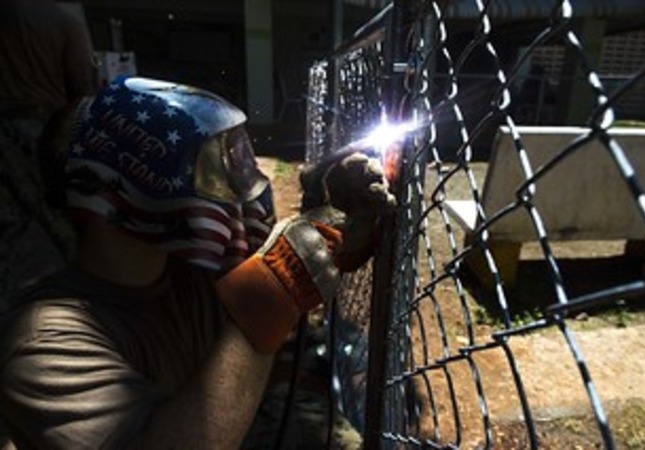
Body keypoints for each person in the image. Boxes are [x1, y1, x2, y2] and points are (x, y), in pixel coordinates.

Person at [0, 76, 395, 449]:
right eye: (204, 170)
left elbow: (271, 360)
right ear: (116, 190)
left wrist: (334, 215)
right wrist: (273, 292)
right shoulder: (42, 341)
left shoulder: (192, 274)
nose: (233, 189)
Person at [0, 0, 96, 312]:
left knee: (10, 222)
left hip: (6, 127)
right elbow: (82, 82)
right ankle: (83, 301)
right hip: (47, 126)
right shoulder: (65, 14)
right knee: (63, 218)